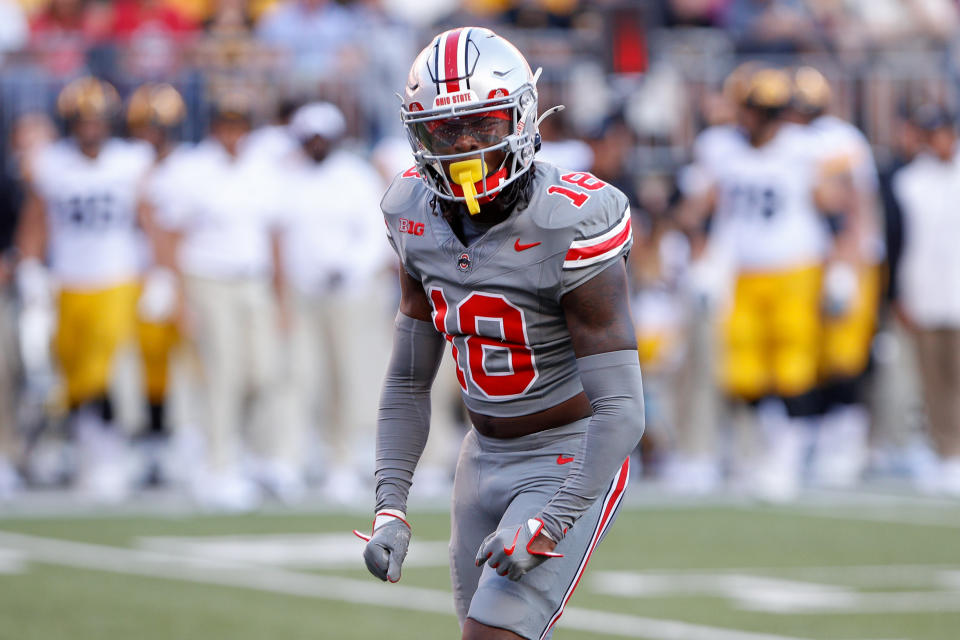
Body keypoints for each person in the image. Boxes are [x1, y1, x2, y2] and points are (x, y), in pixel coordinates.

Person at [354, 27, 645, 640]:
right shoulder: (410, 214)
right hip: (480, 454)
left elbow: (622, 408)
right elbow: (408, 379)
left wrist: (556, 520)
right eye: (444, 130)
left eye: (482, 125)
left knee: (493, 635)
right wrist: (390, 507)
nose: (463, 147)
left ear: (521, 116)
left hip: (568, 450)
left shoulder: (569, 218)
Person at [16, 77, 155, 500]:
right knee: (71, 370)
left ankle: (108, 452)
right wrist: (30, 266)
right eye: (82, 119)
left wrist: (161, 273)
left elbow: (148, 219)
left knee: (102, 365)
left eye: (95, 119)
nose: (89, 127)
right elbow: (36, 220)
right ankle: (84, 448)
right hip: (68, 280)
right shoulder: (51, 162)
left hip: (117, 276)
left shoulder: (131, 159)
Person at [153, 93, 287, 510]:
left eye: (239, 125)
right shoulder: (192, 169)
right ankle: (219, 465)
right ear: (214, 128)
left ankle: (243, 452)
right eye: (226, 125)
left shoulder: (263, 168)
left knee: (262, 373)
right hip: (208, 279)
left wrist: (281, 297)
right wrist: (177, 294)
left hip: (254, 282)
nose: (233, 134)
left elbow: (274, 234)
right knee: (221, 374)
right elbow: (170, 233)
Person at [274, 102, 391, 503]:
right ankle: (290, 457)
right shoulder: (287, 176)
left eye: (323, 138)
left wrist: (349, 269)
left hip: (348, 294)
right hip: (302, 293)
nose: (317, 145)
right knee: (300, 375)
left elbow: (375, 235)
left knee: (349, 376)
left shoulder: (355, 178)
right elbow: (279, 234)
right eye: (311, 138)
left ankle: (343, 461)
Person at [786, 66, 884, 487]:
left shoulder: (839, 139)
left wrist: (846, 263)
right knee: (812, 355)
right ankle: (817, 439)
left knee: (846, 355)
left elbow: (854, 203)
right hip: (806, 261)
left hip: (844, 258)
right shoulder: (790, 142)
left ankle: (846, 442)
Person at [891, 105, 960, 496]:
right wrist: (900, 293)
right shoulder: (910, 182)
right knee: (934, 382)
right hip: (926, 294)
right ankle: (947, 452)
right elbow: (901, 244)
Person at [126, 82, 190, 486]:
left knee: (185, 365)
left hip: (178, 273)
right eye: (148, 125)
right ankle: (142, 447)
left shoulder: (188, 166)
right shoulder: (127, 163)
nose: (154, 133)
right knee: (141, 365)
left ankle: (180, 445)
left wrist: (172, 275)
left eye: (160, 125)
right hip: (135, 272)